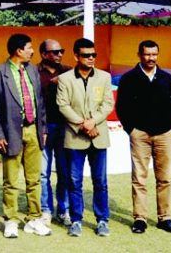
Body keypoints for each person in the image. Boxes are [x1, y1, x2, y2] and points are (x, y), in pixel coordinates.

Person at [0, 33, 51, 238]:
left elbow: (39, 102)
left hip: (34, 131)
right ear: (18, 50)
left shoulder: (32, 70)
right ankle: (11, 220)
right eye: (29, 48)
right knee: (11, 181)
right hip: (11, 132)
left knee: (34, 179)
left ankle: (34, 218)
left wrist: (44, 128)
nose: (33, 51)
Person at [116, 39, 171, 235]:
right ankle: (140, 218)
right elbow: (122, 106)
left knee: (165, 178)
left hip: (164, 135)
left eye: (154, 54)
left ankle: (165, 218)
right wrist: (132, 129)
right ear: (139, 55)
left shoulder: (166, 78)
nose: (151, 58)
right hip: (140, 135)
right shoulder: (129, 78)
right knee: (139, 178)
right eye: (147, 54)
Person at [57, 37, 113, 238]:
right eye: (86, 55)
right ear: (76, 56)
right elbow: (63, 105)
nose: (91, 59)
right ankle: (76, 220)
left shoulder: (104, 77)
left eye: (93, 55)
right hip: (75, 137)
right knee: (74, 181)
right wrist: (83, 125)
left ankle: (102, 220)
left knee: (100, 181)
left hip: (98, 136)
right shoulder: (65, 79)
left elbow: (108, 104)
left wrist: (93, 122)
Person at [37, 38, 70, 226]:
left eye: (61, 51)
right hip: (43, 128)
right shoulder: (34, 72)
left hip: (65, 128)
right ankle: (46, 209)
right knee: (43, 173)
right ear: (44, 54)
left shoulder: (67, 71)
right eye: (54, 52)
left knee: (64, 172)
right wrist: (52, 83)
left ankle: (63, 210)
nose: (58, 55)